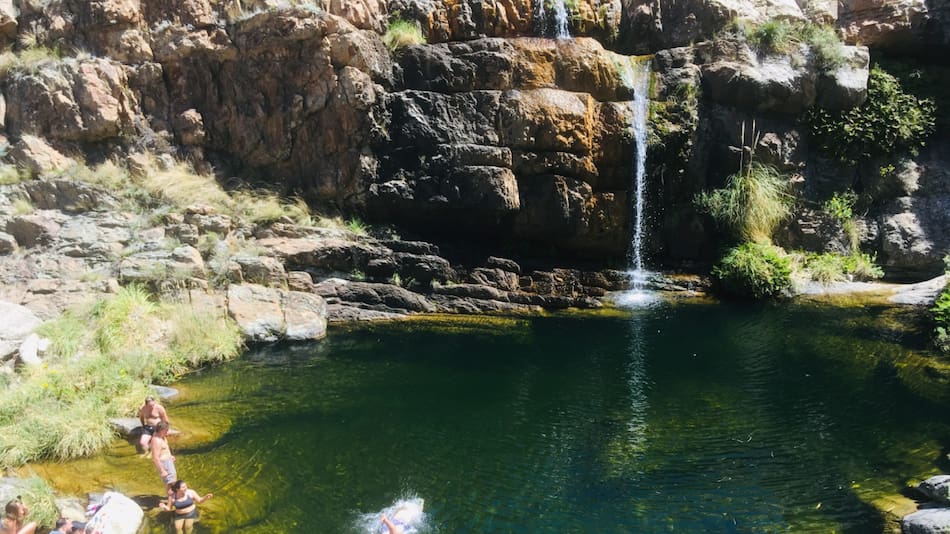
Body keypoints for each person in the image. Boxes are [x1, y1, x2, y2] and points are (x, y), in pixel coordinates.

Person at [150, 421, 176, 496]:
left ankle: (172, 500)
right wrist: (162, 471)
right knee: (171, 484)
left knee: (173, 482)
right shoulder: (156, 440)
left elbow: (165, 449)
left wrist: (170, 456)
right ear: (162, 430)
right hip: (165, 464)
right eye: (166, 430)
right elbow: (155, 458)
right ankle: (170, 503)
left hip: (169, 461)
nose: (168, 432)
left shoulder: (163, 437)